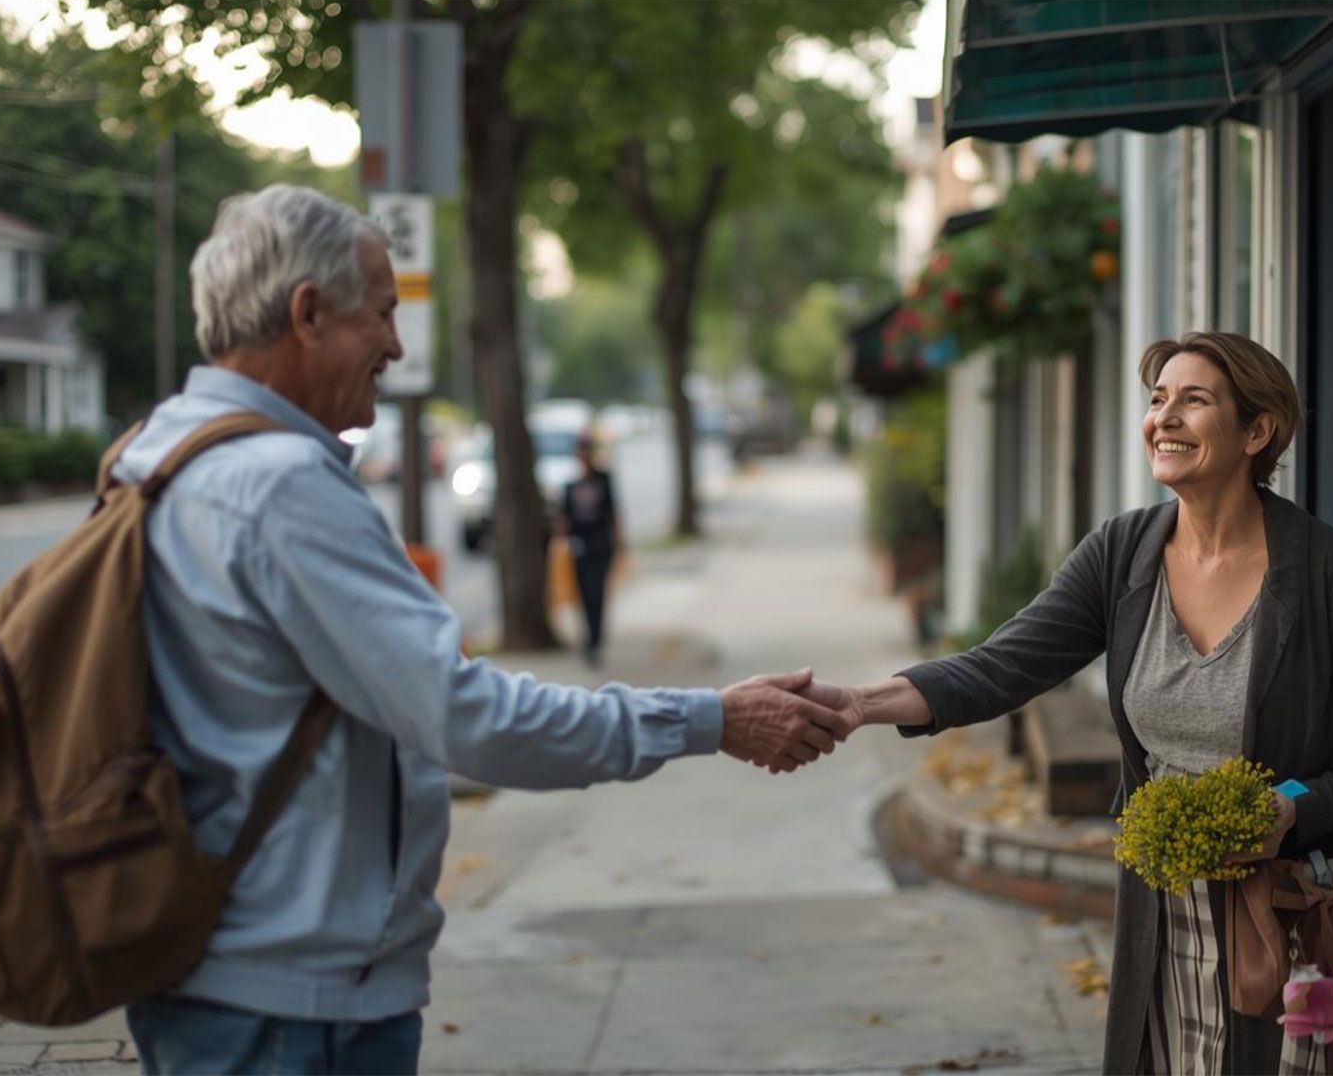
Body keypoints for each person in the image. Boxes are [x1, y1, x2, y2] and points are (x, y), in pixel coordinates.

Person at [112, 184, 848, 1076]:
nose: (395, 344)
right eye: (382, 314)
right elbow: (472, 719)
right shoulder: (279, 487)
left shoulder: (157, 455)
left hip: (213, 976)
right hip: (293, 1006)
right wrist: (710, 720)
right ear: (307, 315)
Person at [803, 331, 1333, 1074]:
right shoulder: (1121, 554)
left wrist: (1293, 808)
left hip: (1291, 921)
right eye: (1157, 400)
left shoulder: (1329, 572)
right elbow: (999, 667)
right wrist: (853, 703)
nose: (1162, 418)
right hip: (1165, 915)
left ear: (1256, 431)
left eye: (1193, 401)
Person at [557, 431, 619, 666]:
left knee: (598, 593)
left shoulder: (604, 480)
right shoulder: (570, 485)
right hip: (578, 548)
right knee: (583, 595)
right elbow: (563, 518)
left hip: (600, 546)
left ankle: (596, 639)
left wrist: (617, 542)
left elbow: (613, 512)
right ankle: (588, 639)